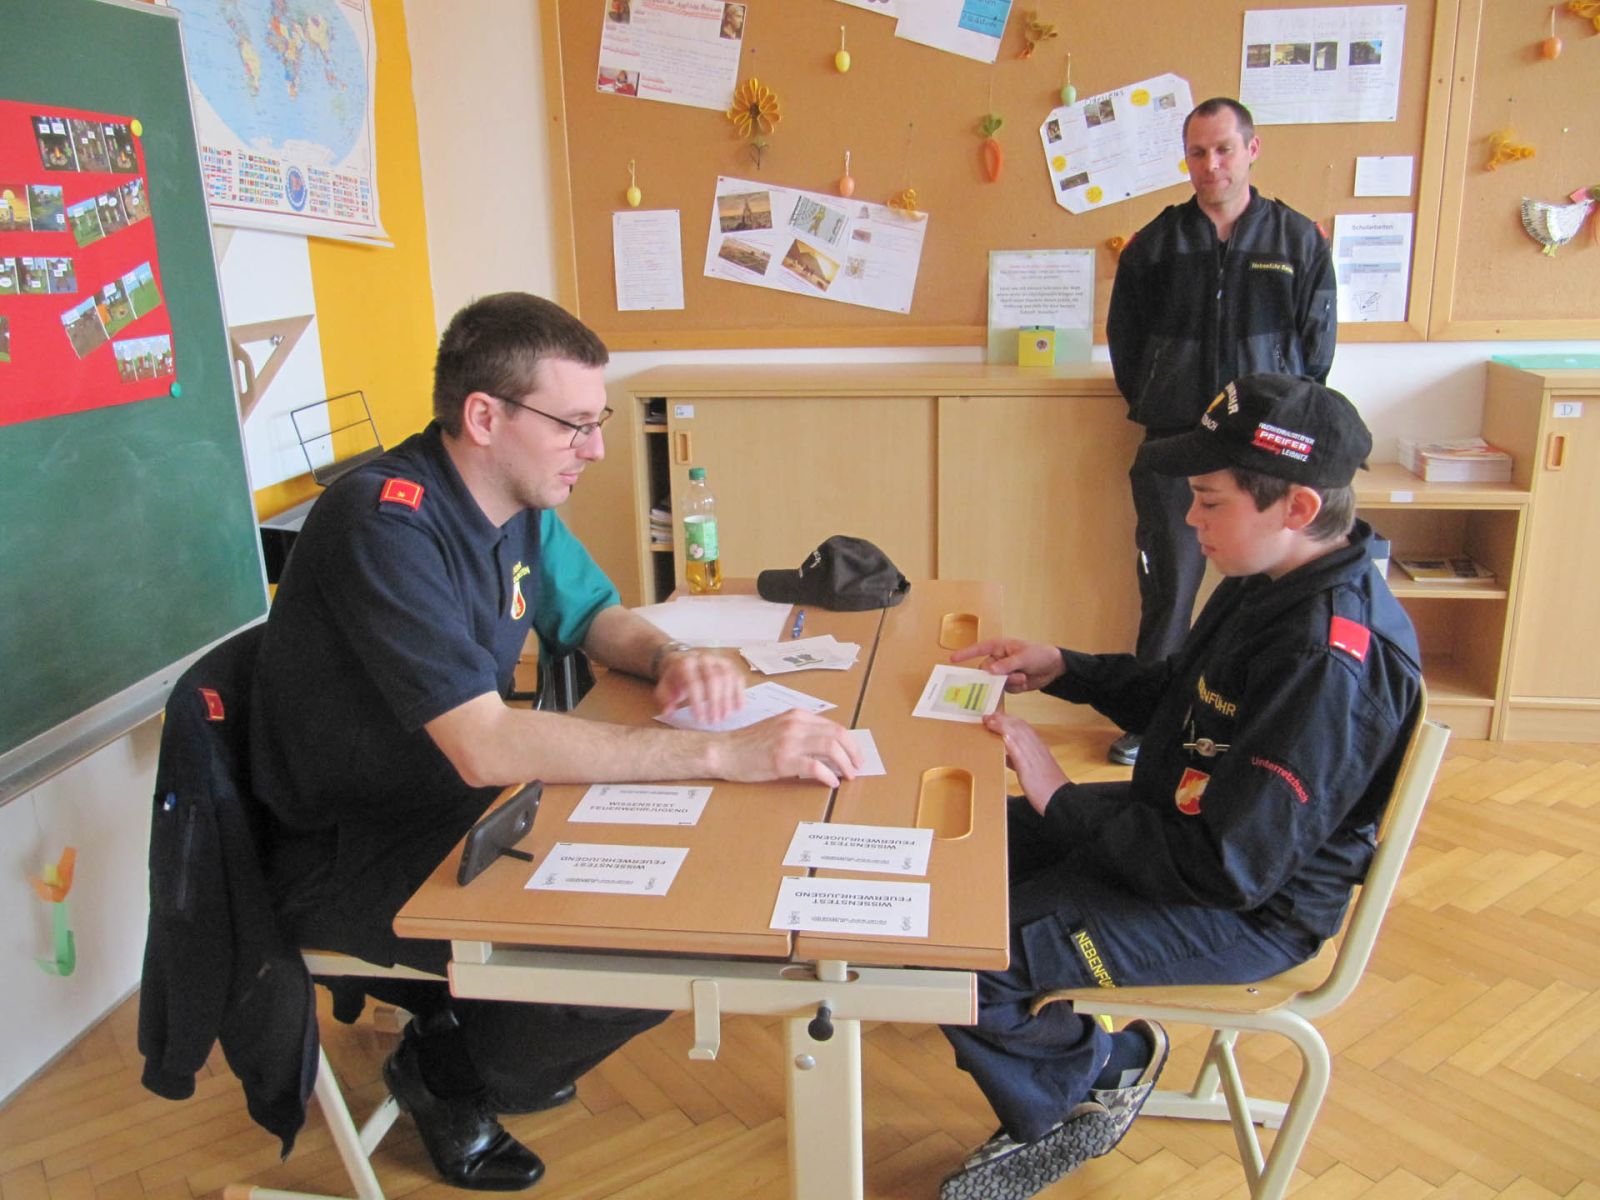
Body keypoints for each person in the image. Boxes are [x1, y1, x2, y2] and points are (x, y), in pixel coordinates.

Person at [249, 292, 862, 1191]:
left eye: (596, 421)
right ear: (484, 417)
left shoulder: (518, 499)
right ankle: (447, 1072)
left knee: (681, 882)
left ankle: (479, 1033)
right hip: (352, 851)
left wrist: (670, 656)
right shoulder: (385, 523)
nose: (596, 448)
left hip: (462, 806)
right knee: (643, 945)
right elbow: (488, 746)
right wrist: (723, 753)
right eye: (575, 424)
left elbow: (595, 615)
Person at [935, 374, 1420, 1200]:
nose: (1191, 519)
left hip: (1242, 906)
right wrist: (1065, 668)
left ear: (1298, 507)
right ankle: (1054, 1043)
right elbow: (1181, 697)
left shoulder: (1325, 661)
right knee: (958, 860)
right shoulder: (1269, 578)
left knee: (970, 959)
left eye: (1209, 501)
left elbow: (1227, 870)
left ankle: (1102, 1071)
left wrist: (1059, 794)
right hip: (1177, 831)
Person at [1104, 97, 1337, 766]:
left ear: (1251, 150)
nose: (1211, 164)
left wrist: (1284, 418)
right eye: (1198, 152)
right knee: (1170, 584)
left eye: (1224, 149)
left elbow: (1317, 350)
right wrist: (1162, 397)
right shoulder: (1155, 244)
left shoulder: (1296, 240)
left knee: (1270, 587)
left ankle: (1262, 721)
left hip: (1267, 450)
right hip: (1175, 441)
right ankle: (1154, 718)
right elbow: (1126, 342)